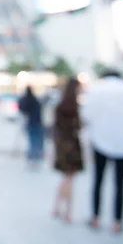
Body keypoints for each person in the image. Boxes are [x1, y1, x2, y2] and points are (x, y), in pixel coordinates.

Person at [82, 70, 123, 234]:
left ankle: (95, 217)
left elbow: (86, 115)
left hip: (100, 141)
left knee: (98, 181)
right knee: (120, 184)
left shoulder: (96, 91)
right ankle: (117, 222)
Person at [52, 78, 84, 223]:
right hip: (72, 145)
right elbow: (78, 126)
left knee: (65, 178)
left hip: (61, 145)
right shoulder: (74, 107)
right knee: (69, 179)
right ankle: (67, 212)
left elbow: (55, 126)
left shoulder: (60, 106)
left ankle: (57, 207)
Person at [18, 86, 44, 167]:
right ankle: (34, 158)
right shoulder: (34, 100)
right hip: (36, 123)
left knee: (33, 141)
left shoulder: (29, 100)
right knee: (35, 141)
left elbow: (22, 109)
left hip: (33, 123)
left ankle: (34, 158)